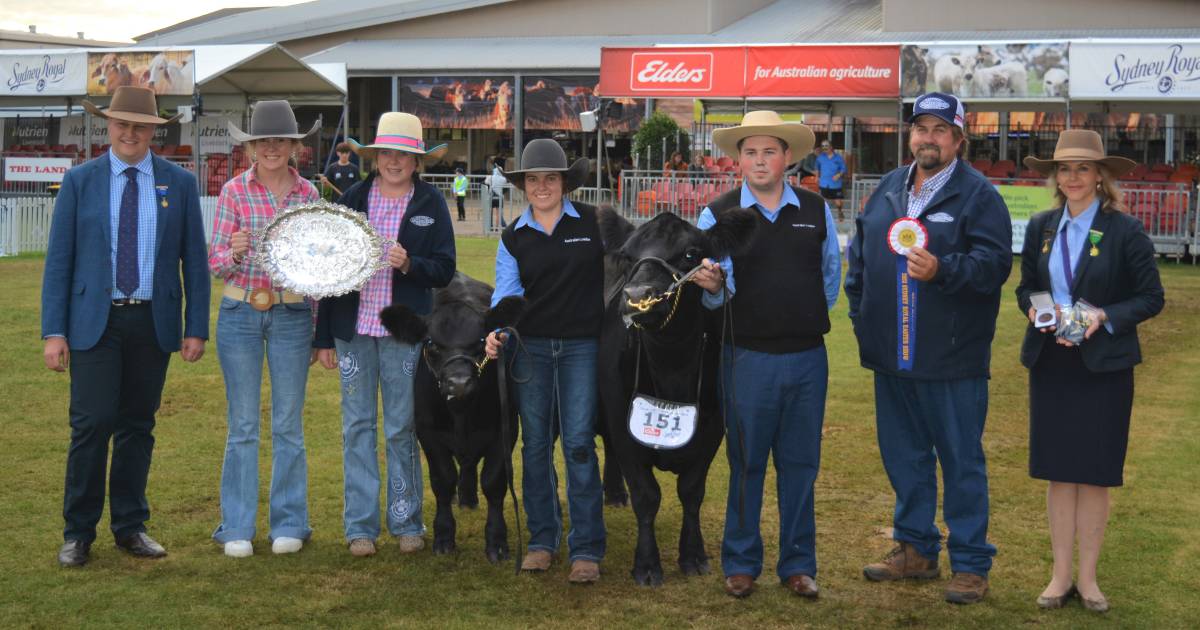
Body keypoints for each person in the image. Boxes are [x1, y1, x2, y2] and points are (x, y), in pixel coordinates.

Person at [844, 92, 1012, 604]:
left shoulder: (979, 196)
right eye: (921, 128)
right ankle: (915, 549)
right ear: (910, 135)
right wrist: (863, 321)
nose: (928, 138)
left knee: (961, 461)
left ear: (959, 139)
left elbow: (994, 267)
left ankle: (970, 564)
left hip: (952, 359)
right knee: (904, 458)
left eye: (941, 130)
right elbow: (861, 264)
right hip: (892, 358)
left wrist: (944, 269)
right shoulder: (890, 188)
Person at [43, 86, 209, 567]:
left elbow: (194, 263)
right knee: (91, 424)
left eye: (140, 125)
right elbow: (59, 263)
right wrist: (54, 331)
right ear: (108, 126)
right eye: (121, 124)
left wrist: (195, 325)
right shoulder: (80, 181)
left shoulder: (177, 183)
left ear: (154, 130)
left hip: (152, 322)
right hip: (94, 323)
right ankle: (78, 532)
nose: (130, 133)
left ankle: (131, 526)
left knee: (138, 425)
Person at [690, 111, 841, 599]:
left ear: (787, 157)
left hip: (806, 358)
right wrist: (712, 289)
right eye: (750, 152)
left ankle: (798, 565)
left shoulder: (816, 211)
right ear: (737, 160)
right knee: (747, 462)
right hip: (745, 358)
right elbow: (709, 290)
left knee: (800, 465)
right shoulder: (717, 213)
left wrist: (797, 314)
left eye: (769, 151)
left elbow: (830, 279)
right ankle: (740, 562)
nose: (759, 160)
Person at [1015, 129, 1164, 614]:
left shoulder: (1125, 229)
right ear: (1054, 177)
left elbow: (1150, 297)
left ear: (1101, 175)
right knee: (1060, 473)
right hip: (1052, 361)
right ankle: (1059, 577)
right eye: (1064, 168)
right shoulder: (1040, 226)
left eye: (1082, 168)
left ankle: (1089, 579)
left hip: (1103, 366)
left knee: (1095, 474)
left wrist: (1104, 317)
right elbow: (1027, 290)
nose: (1072, 176)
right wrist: (1042, 313)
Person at [314, 112, 456, 557]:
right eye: (387, 154)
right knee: (357, 426)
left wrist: (410, 263)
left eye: (404, 155)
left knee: (400, 426)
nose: (395, 161)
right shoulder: (353, 199)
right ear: (375, 158)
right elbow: (328, 274)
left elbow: (445, 268)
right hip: (353, 330)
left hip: (403, 334)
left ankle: (406, 520)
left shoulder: (430, 204)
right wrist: (322, 338)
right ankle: (360, 527)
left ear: (417, 161)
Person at [484, 138, 606, 584]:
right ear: (522, 185)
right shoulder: (513, 236)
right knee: (535, 445)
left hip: (582, 348)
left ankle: (587, 548)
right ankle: (541, 540)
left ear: (565, 183)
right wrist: (496, 330)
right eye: (532, 179)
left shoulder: (595, 223)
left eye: (549, 179)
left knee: (577, 443)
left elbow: (631, 257)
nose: (541, 187)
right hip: (530, 348)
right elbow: (506, 292)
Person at [208, 101, 322, 558]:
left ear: (295, 146)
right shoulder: (234, 192)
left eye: (281, 141)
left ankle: (289, 522)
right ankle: (236, 525)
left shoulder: (310, 196)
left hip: (294, 315)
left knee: (289, 423)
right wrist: (234, 253)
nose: (271, 148)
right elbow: (216, 262)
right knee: (243, 424)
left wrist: (318, 327)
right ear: (251, 146)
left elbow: (319, 266)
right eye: (263, 141)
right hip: (240, 314)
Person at [816, 140, 846, 219]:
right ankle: (824, 216)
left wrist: (838, 175)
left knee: (838, 202)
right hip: (824, 183)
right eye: (823, 146)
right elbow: (817, 168)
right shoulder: (820, 157)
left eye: (826, 145)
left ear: (831, 147)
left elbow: (843, 169)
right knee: (822, 201)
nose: (824, 148)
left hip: (835, 184)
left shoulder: (838, 158)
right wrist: (817, 177)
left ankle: (840, 211)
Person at [489, 158, 508, 229]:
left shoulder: (490, 177)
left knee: (490, 213)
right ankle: (497, 227)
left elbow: (486, 183)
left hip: (491, 196)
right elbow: (505, 185)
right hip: (499, 197)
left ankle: (490, 226)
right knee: (498, 213)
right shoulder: (503, 179)